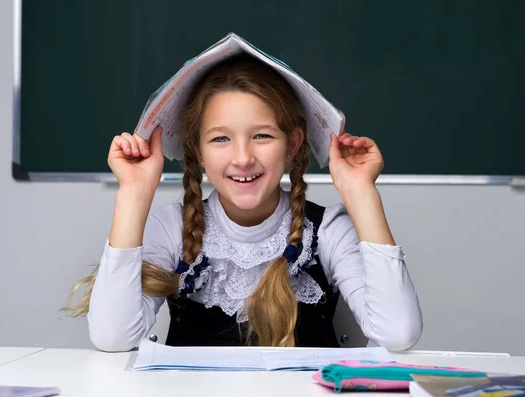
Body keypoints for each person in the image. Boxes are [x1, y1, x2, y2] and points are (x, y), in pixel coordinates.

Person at [63, 54, 423, 352]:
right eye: (220, 138)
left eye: (262, 136)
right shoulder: (172, 227)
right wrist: (133, 194)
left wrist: (361, 192)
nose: (243, 157)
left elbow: (399, 333)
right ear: (197, 151)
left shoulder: (327, 231)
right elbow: (112, 337)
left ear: (293, 144)